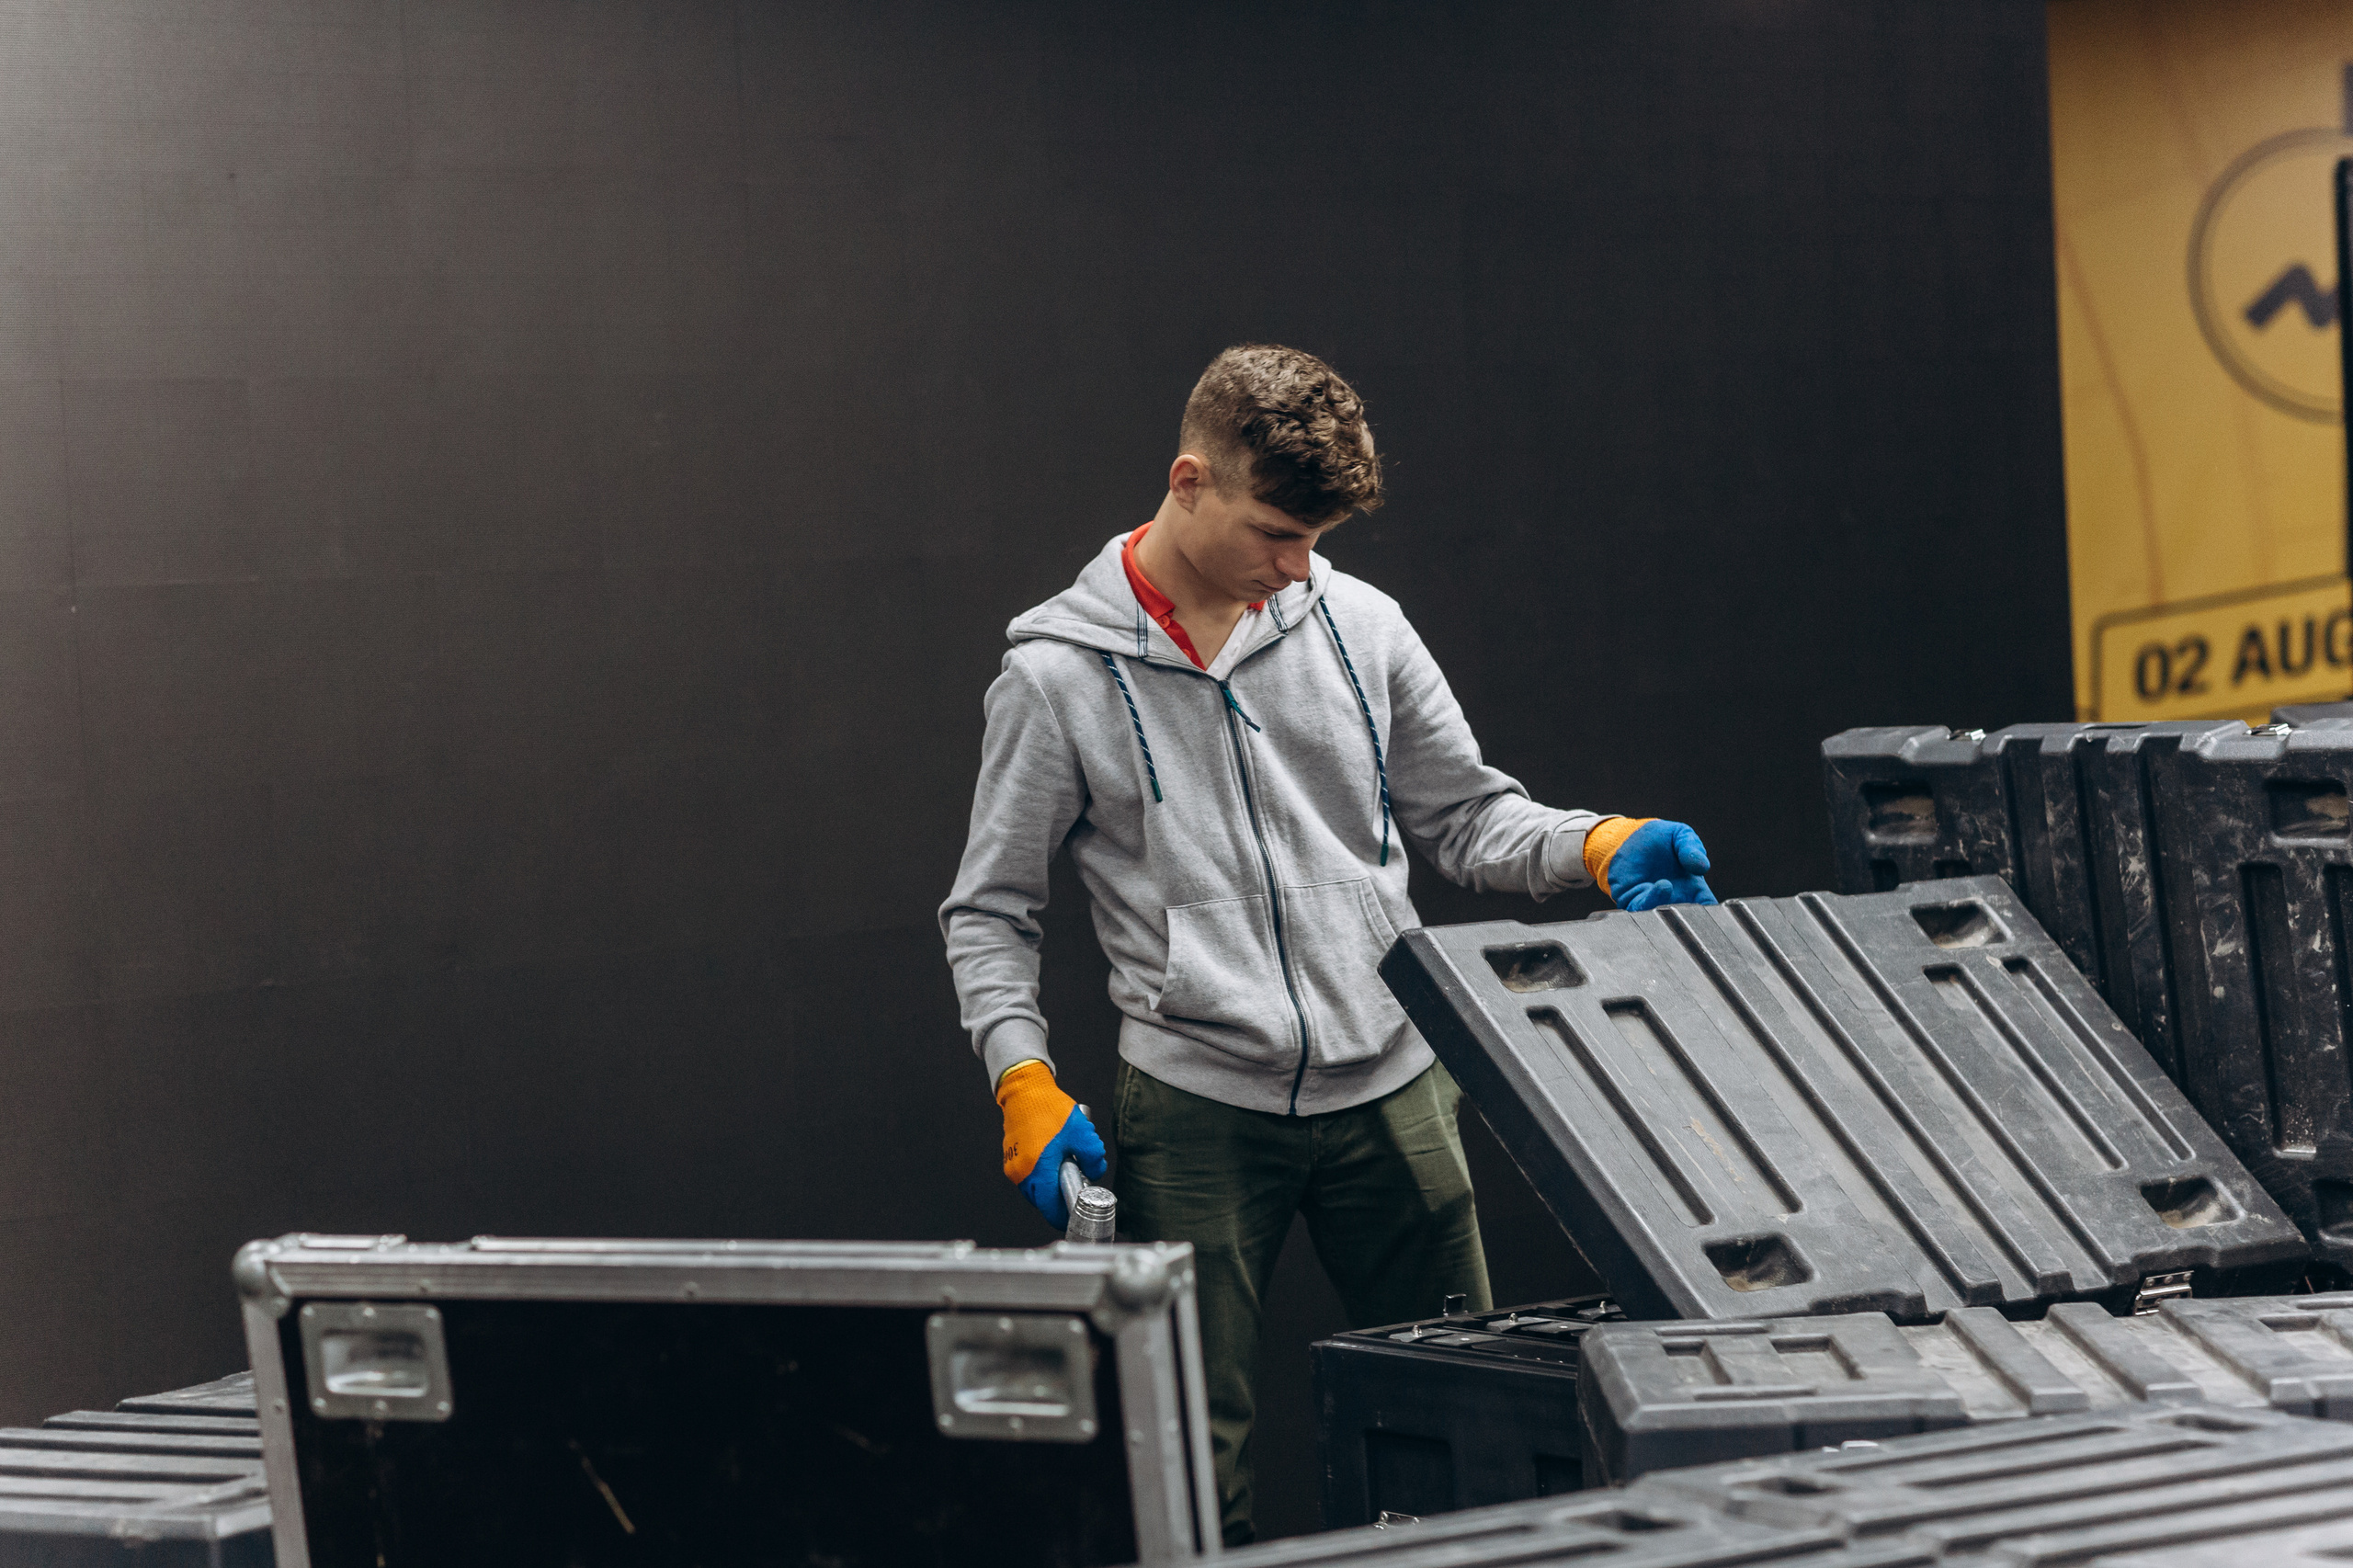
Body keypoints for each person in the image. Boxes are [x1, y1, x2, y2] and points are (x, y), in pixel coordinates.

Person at [938, 344, 1715, 1543]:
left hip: (1395, 1085)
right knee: (1187, 1463)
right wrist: (1022, 1079)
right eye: (1275, 533)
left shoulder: (1361, 624)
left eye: (1314, 540)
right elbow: (990, 910)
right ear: (1189, 480)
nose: (1296, 566)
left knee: (1468, 1428)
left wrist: (1596, 844)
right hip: (1195, 1108)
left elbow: (1468, 818)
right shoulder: (1057, 679)